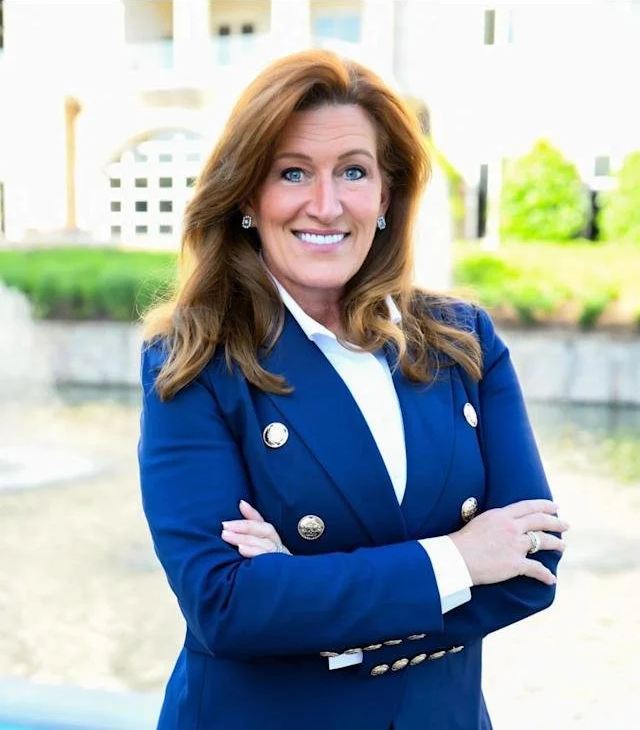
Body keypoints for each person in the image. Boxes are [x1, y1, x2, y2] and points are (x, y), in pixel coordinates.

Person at [137, 49, 569, 730]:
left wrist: (301, 592)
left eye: (353, 171)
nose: (326, 204)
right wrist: (459, 558)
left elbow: (532, 566)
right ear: (247, 196)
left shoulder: (463, 340)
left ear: (387, 194)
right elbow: (226, 605)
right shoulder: (195, 358)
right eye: (292, 172)